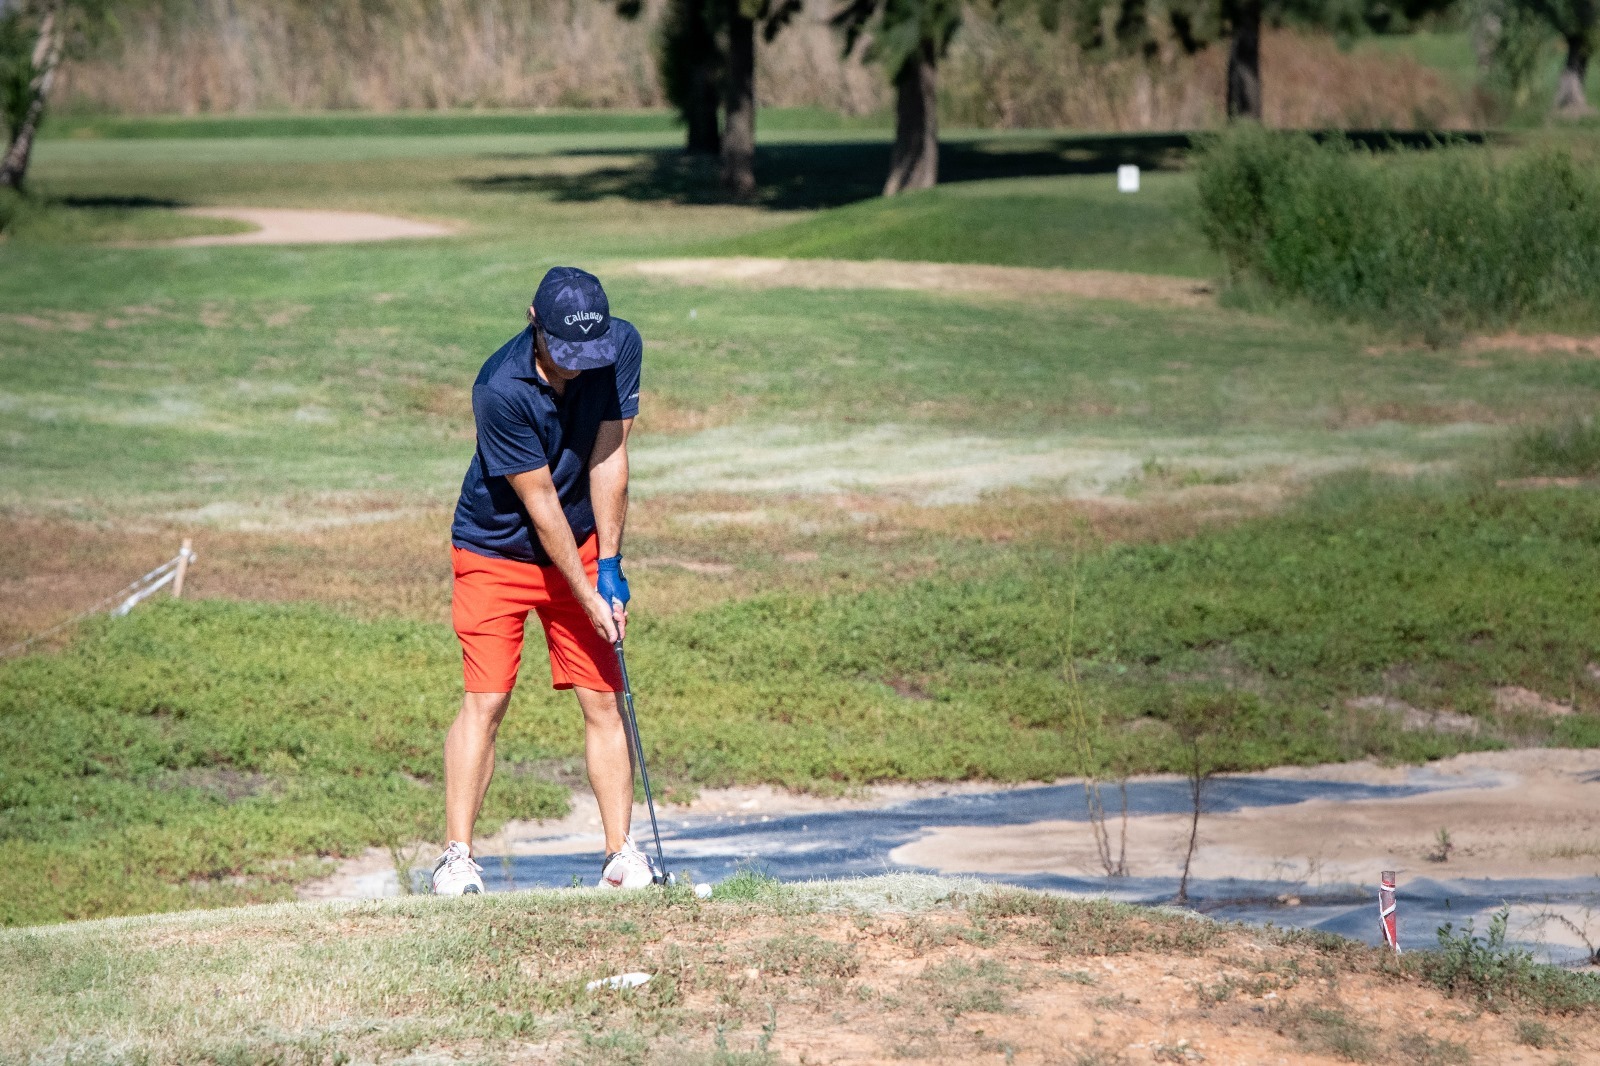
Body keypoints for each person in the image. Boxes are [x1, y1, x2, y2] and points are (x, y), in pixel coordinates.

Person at [432, 266, 652, 895]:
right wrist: (587, 596)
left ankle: (620, 855)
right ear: (535, 321)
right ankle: (457, 858)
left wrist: (608, 565)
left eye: (590, 352)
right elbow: (542, 507)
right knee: (488, 698)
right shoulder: (498, 388)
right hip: (494, 550)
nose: (578, 367)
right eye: (565, 352)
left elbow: (609, 454)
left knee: (603, 698)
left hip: (580, 544)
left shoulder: (618, 346)